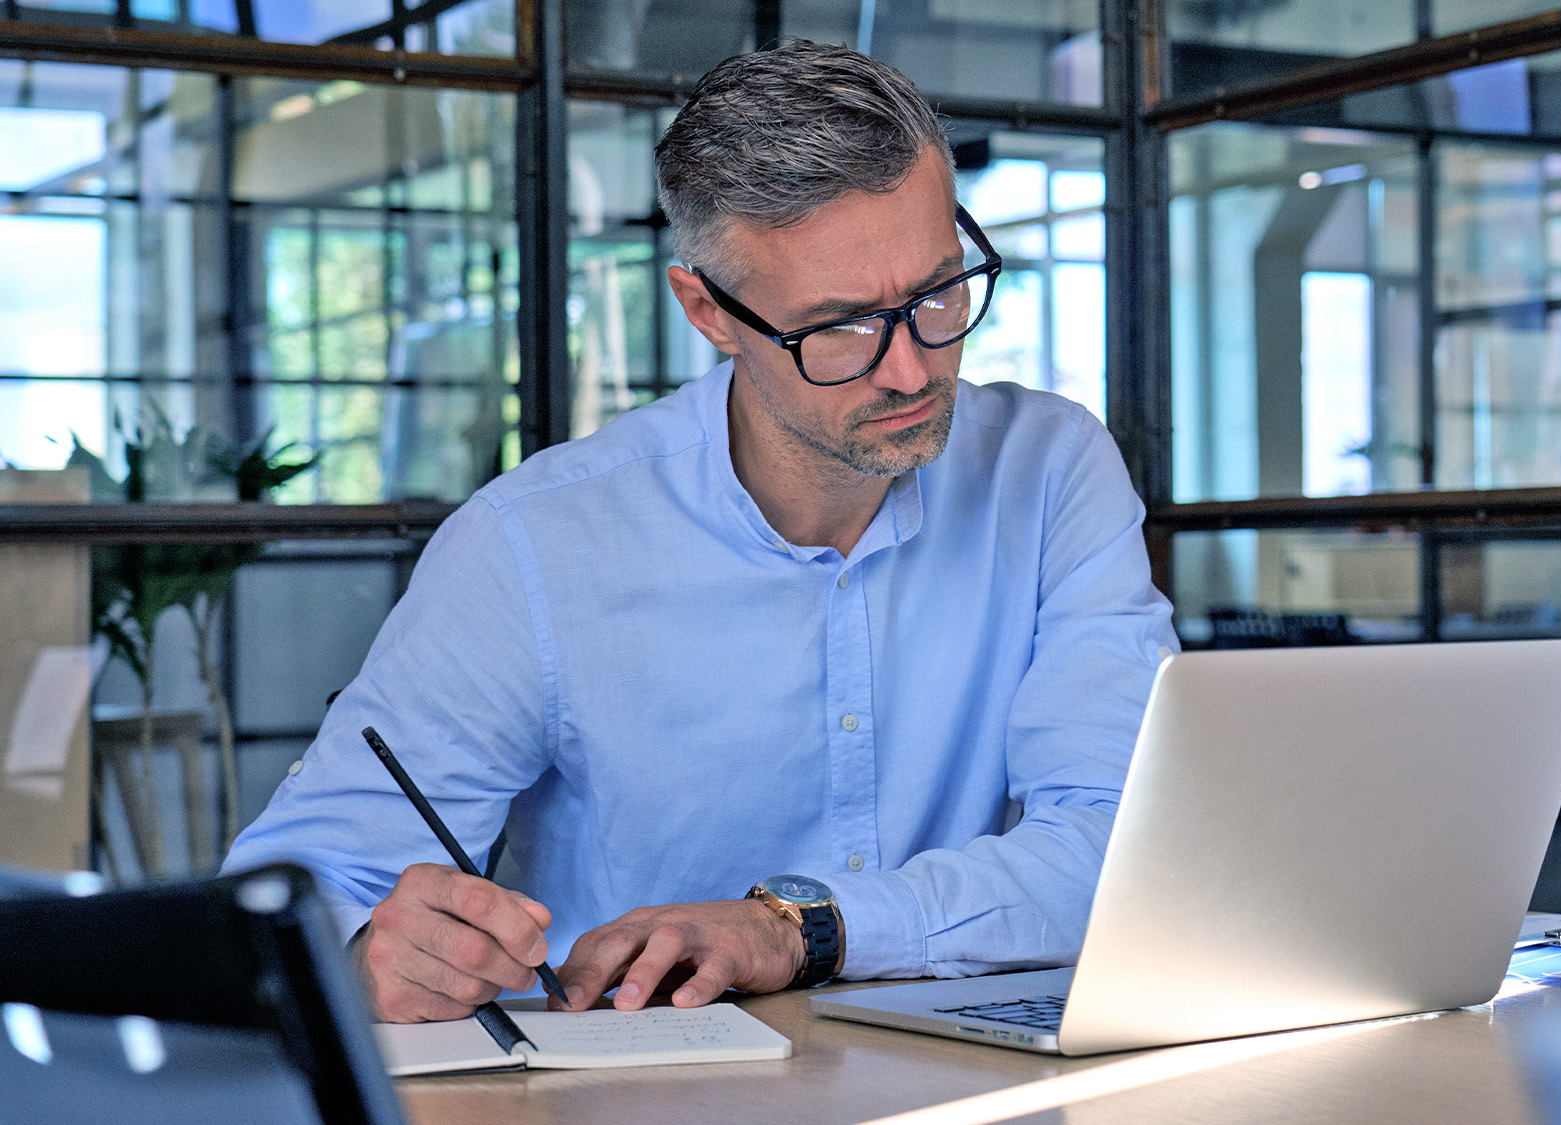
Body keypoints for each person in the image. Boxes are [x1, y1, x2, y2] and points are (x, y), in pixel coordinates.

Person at [224, 40, 1179, 1024]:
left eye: (936, 294)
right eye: (840, 327)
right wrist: (363, 949)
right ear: (707, 313)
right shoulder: (536, 545)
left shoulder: (1049, 467)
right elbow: (289, 891)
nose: (908, 370)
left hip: (975, 1080)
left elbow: (1123, 844)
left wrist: (799, 927)